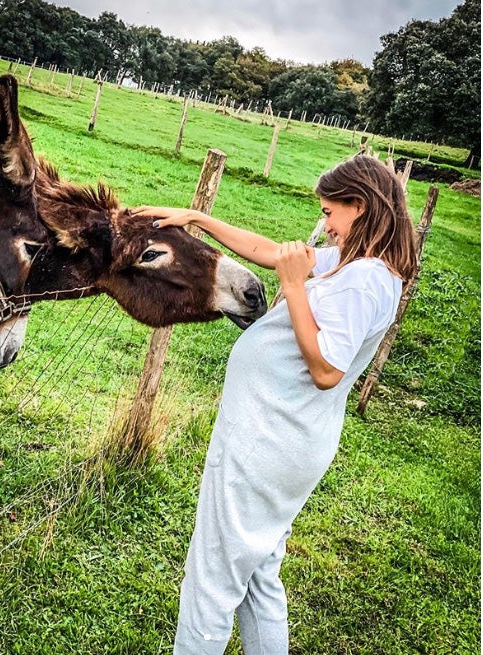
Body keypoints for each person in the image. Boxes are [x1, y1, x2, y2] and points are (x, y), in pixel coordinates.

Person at [133, 155, 417, 655]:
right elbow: (267, 251)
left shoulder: (367, 279)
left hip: (265, 445)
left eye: (331, 213)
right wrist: (196, 219)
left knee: (211, 584)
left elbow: (328, 369)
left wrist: (292, 287)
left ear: (362, 207)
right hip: (284, 440)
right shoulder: (355, 266)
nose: (324, 226)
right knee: (260, 576)